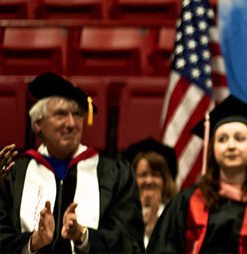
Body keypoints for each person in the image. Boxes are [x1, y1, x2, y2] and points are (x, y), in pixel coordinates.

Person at [0, 71, 143, 253]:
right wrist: (32, 242)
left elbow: (131, 245)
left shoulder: (113, 175)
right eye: (60, 114)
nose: (71, 124)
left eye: (77, 114)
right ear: (38, 123)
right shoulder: (14, 175)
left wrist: (84, 237)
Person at [146, 95, 247, 253]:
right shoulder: (187, 202)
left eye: (239, 138)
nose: (231, 146)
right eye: (222, 139)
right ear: (212, 150)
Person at [124, 138, 178, 248]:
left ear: (165, 180)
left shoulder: (174, 214)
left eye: (155, 175)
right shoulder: (123, 213)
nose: (149, 181)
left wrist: (154, 228)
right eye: (143, 175)